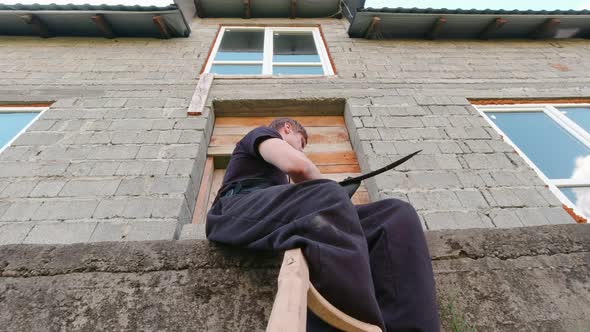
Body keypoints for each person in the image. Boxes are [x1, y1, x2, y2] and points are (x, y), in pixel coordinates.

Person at [206, 117, 440, 331]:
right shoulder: (261, 135)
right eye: (301, 142)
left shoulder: (288, 189)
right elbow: (299, 166)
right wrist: (331, 194)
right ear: (287, 128)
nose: (301, 149)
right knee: (326, 193)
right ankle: (349, 324)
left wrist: (333, 199)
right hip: (234, 210)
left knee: (395, 214)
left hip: (281, 213)